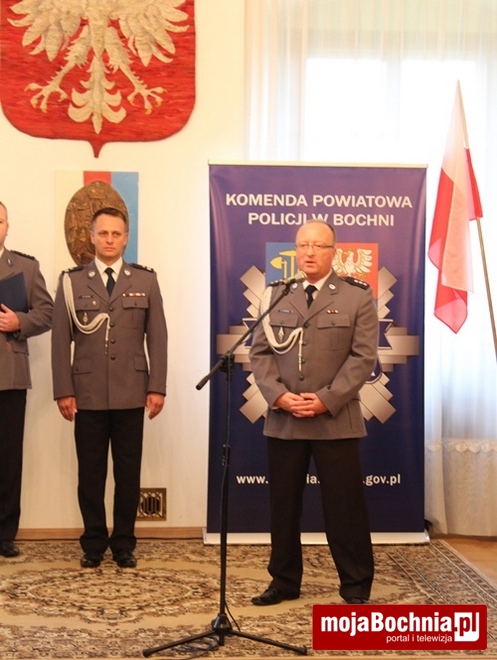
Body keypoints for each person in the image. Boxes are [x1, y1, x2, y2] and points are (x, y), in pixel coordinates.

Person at [249, 220, 378, 605]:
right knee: (283, 507)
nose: (309, 252)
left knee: (345, 508)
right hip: (285, 418)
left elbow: (363, 357)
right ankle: (283, 581)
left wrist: (326, 399)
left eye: (318, 246)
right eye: (303, 245)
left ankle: (355, 585)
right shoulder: (276, 294)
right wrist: (278, 396)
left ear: (333, 252)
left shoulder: (357, 296)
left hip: (335, 419)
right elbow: (260, 353)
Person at [51, 207, 167, 569]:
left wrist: (157, 386)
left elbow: (158, 337)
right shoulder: (71, 282)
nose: (110, 240)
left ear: (126, 238)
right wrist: (63, 389)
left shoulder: (146, 280)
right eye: (103, 233)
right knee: (91, 473)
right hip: (87, 393)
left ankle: (124, 543)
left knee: (128, 473)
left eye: (116, 234)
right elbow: (60, 340)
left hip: (132, 390)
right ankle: (93, 543)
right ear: (92, 237)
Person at [0, 201, 53, 557]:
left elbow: (47, 313)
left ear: (7, 226)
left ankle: (4, 533)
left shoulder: (25, 267)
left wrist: (20, 321)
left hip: (9, 374)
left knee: (7, 457)